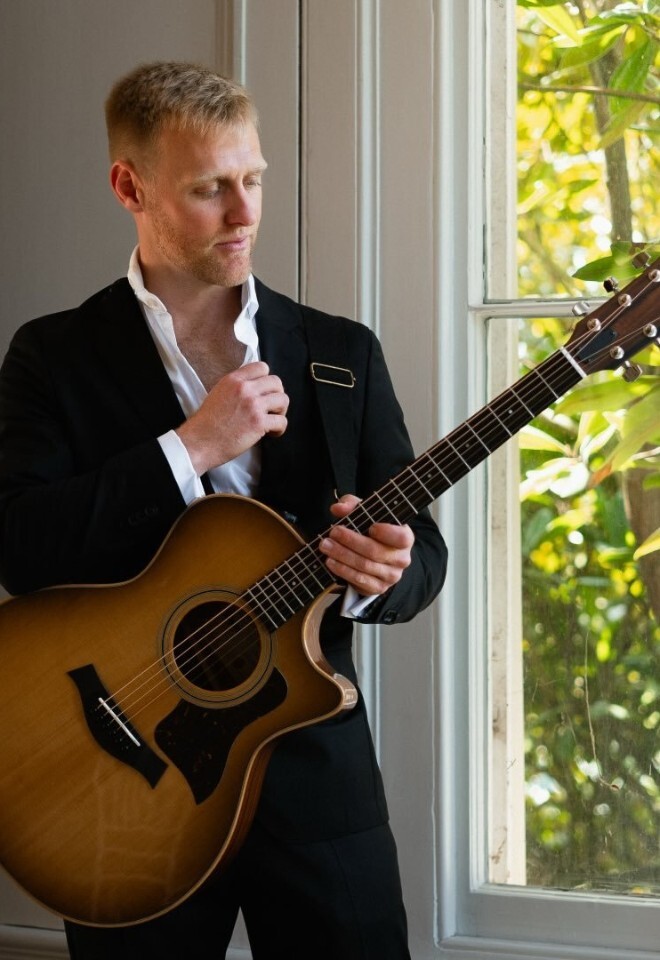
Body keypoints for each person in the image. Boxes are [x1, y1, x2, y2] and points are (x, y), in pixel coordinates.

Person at [0, 61, 447, 959]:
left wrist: (383, 574)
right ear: (130, 186)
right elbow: (23, 549)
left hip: (318, 775)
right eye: (210, 189)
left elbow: (421, 556)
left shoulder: (339, 352)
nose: (244, 214)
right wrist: (191, 448)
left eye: (253, 181)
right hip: (124, 779)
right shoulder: (52, 355)